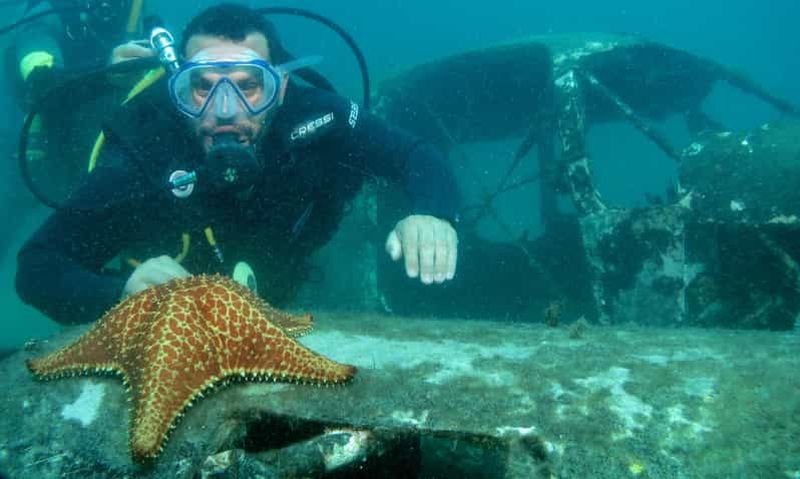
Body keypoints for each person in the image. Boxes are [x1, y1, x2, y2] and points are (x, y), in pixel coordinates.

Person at [15, 3, 460, 325]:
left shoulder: (318, 114)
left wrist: (434, 211)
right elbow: (37, 267)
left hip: (281, 281)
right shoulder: (142, 144)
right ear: (176, 89)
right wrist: (120, 293)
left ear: (281, 89)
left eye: (249, 86)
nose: (224, 110)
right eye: (201, 87)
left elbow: (414, 155)